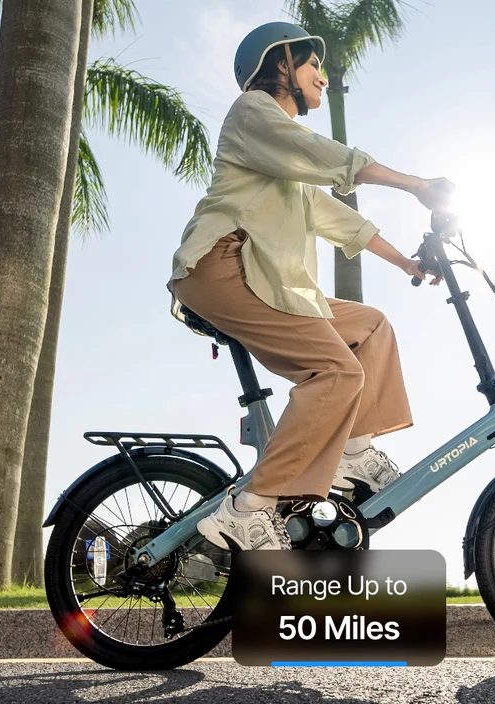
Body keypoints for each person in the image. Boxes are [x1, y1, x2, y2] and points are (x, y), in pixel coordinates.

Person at [167, 22, 454, 551]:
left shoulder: (283, 167)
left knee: (371, 327)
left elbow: (339, 221)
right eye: (312, 65)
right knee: (336, 372)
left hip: (261, 275)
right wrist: (416, 184)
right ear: (281, 66)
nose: (321, 76)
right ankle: (247, 508)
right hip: (220, 264)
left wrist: (407, 266)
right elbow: (327, 157)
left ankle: (353, 449)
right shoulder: (254, 114)